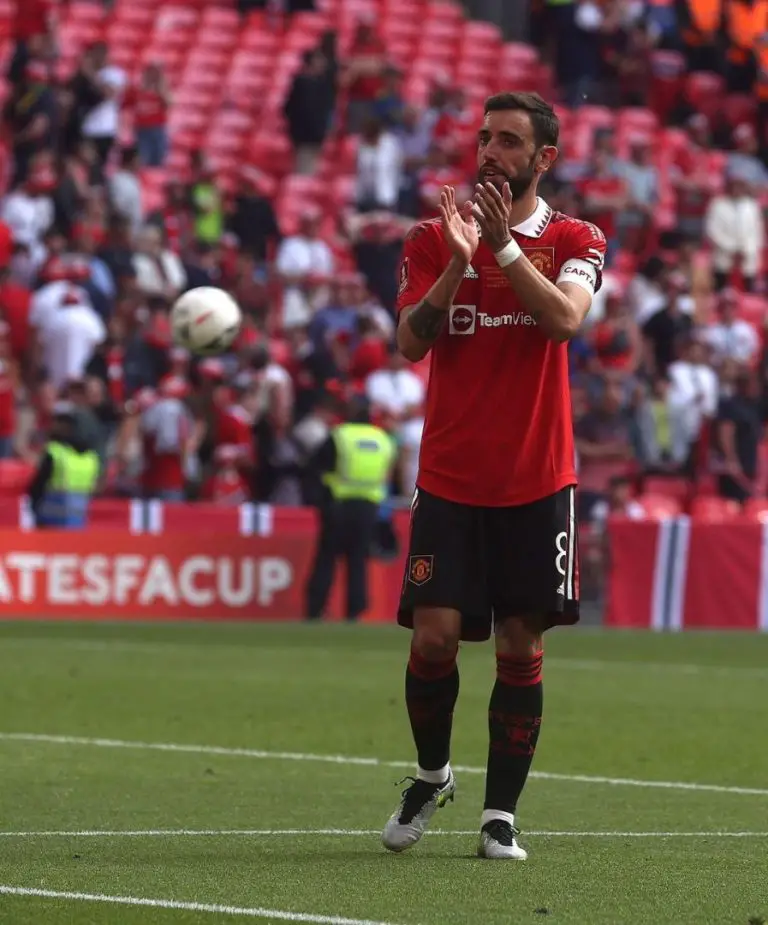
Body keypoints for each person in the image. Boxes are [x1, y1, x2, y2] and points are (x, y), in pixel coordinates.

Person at [381, 92, 606, 860]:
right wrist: (459, 261)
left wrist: (505, 250)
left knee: (518, 641)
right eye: (484, 138)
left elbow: (565, 321)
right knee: (435, 636)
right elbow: (412, 342)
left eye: (508, 140)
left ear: (544, 157)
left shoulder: (575, 238)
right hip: (451, 476)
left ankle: (499, 815)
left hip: (538, 479)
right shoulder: (430, 236)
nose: (489, 152)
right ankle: (431, 773)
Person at [305, 397, 395, 622]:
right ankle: (355, 612)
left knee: (327, 558)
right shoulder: (382, 439)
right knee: (358, 561)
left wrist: (319, 498)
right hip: (368, 508)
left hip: (339, 505)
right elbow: (387, 474)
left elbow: (315, 467)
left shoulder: (340, 436)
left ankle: (315, 609)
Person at [27, 402, 100, 528]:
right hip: (77, 521)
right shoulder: (91, 458)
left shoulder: (55, 452)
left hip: (50, 521)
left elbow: (37, 486)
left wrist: (34, 507)